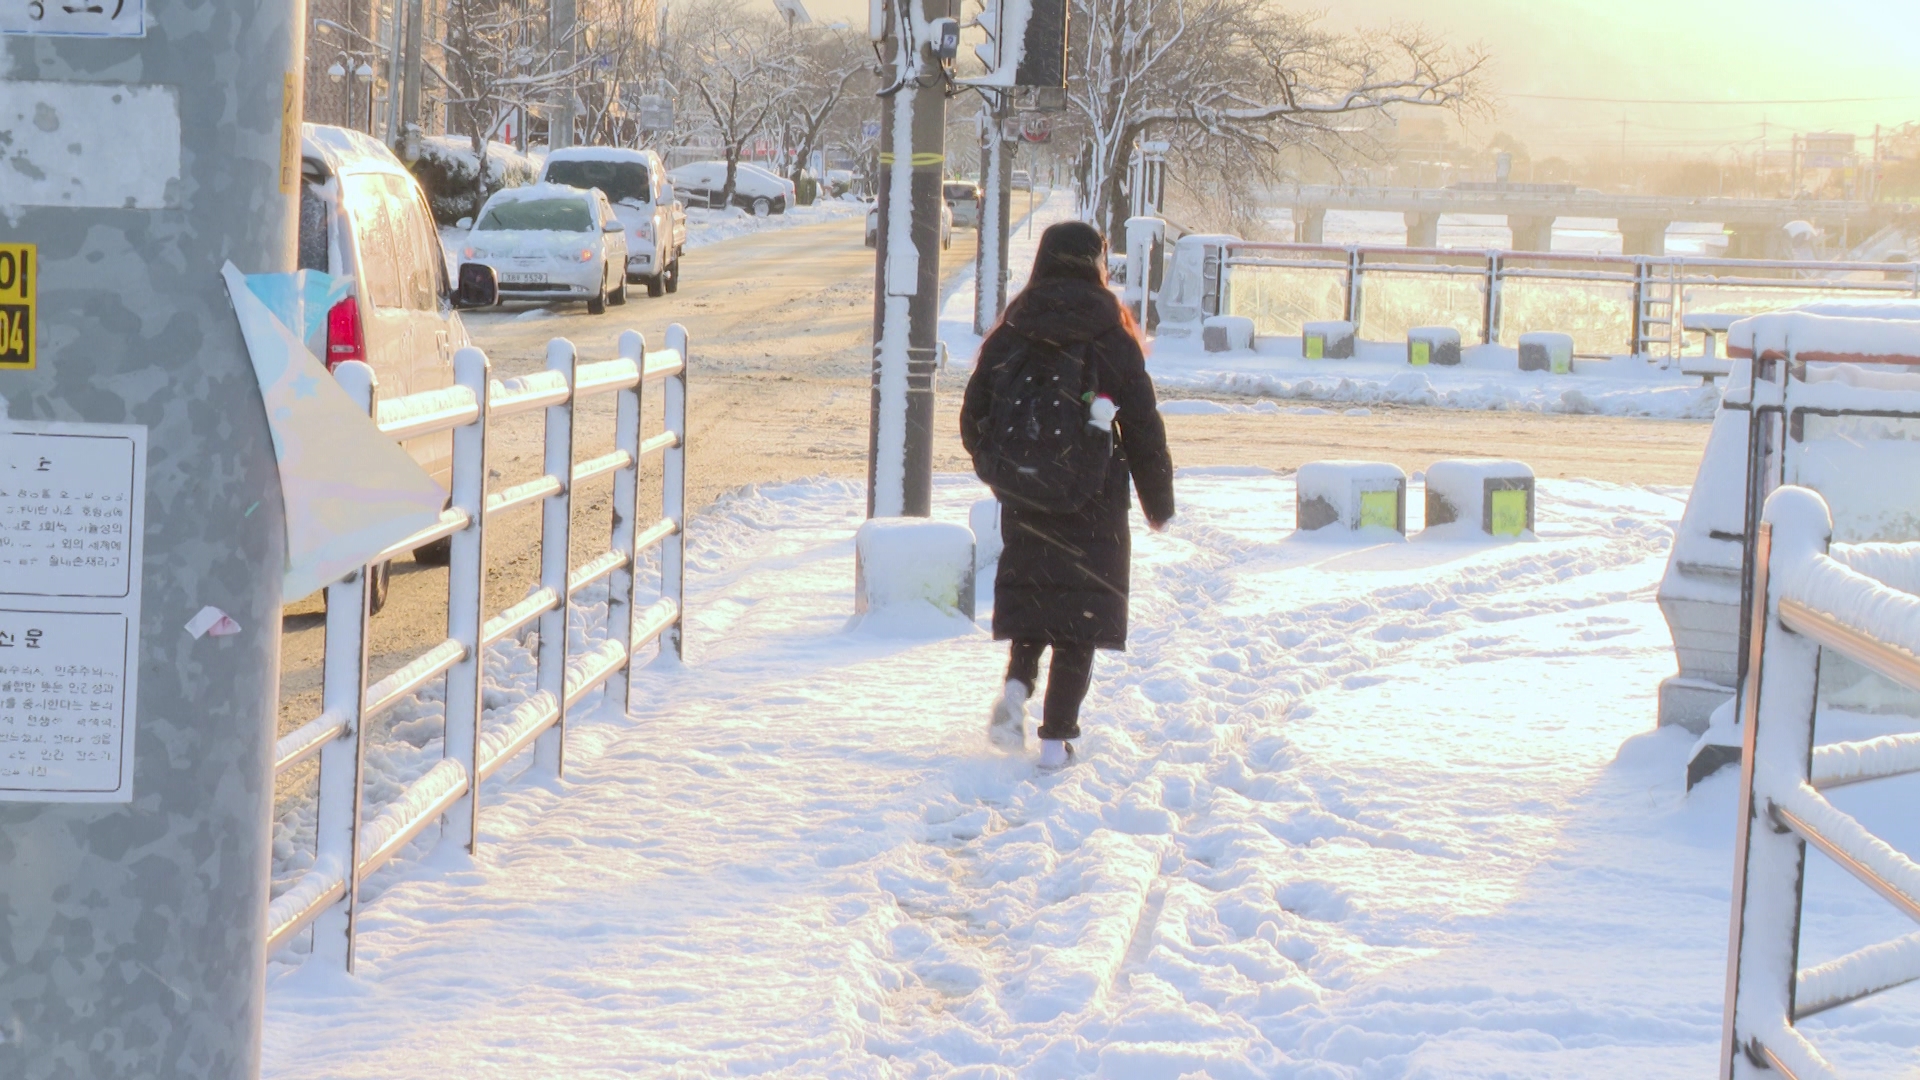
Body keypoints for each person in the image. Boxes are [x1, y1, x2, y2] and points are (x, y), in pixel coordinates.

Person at [960, 221, 1175, 771]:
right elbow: (1145, 427)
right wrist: (1158, 502)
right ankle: (1055, 740)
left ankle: (1015, 689)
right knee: (1079, 620)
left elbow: (973, 416)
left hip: (1026, 499)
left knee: (1035, 605)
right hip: (1094, 501)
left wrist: (1001, 468)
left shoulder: (1013, 330)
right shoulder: (1113, 335)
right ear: (1096, 264)